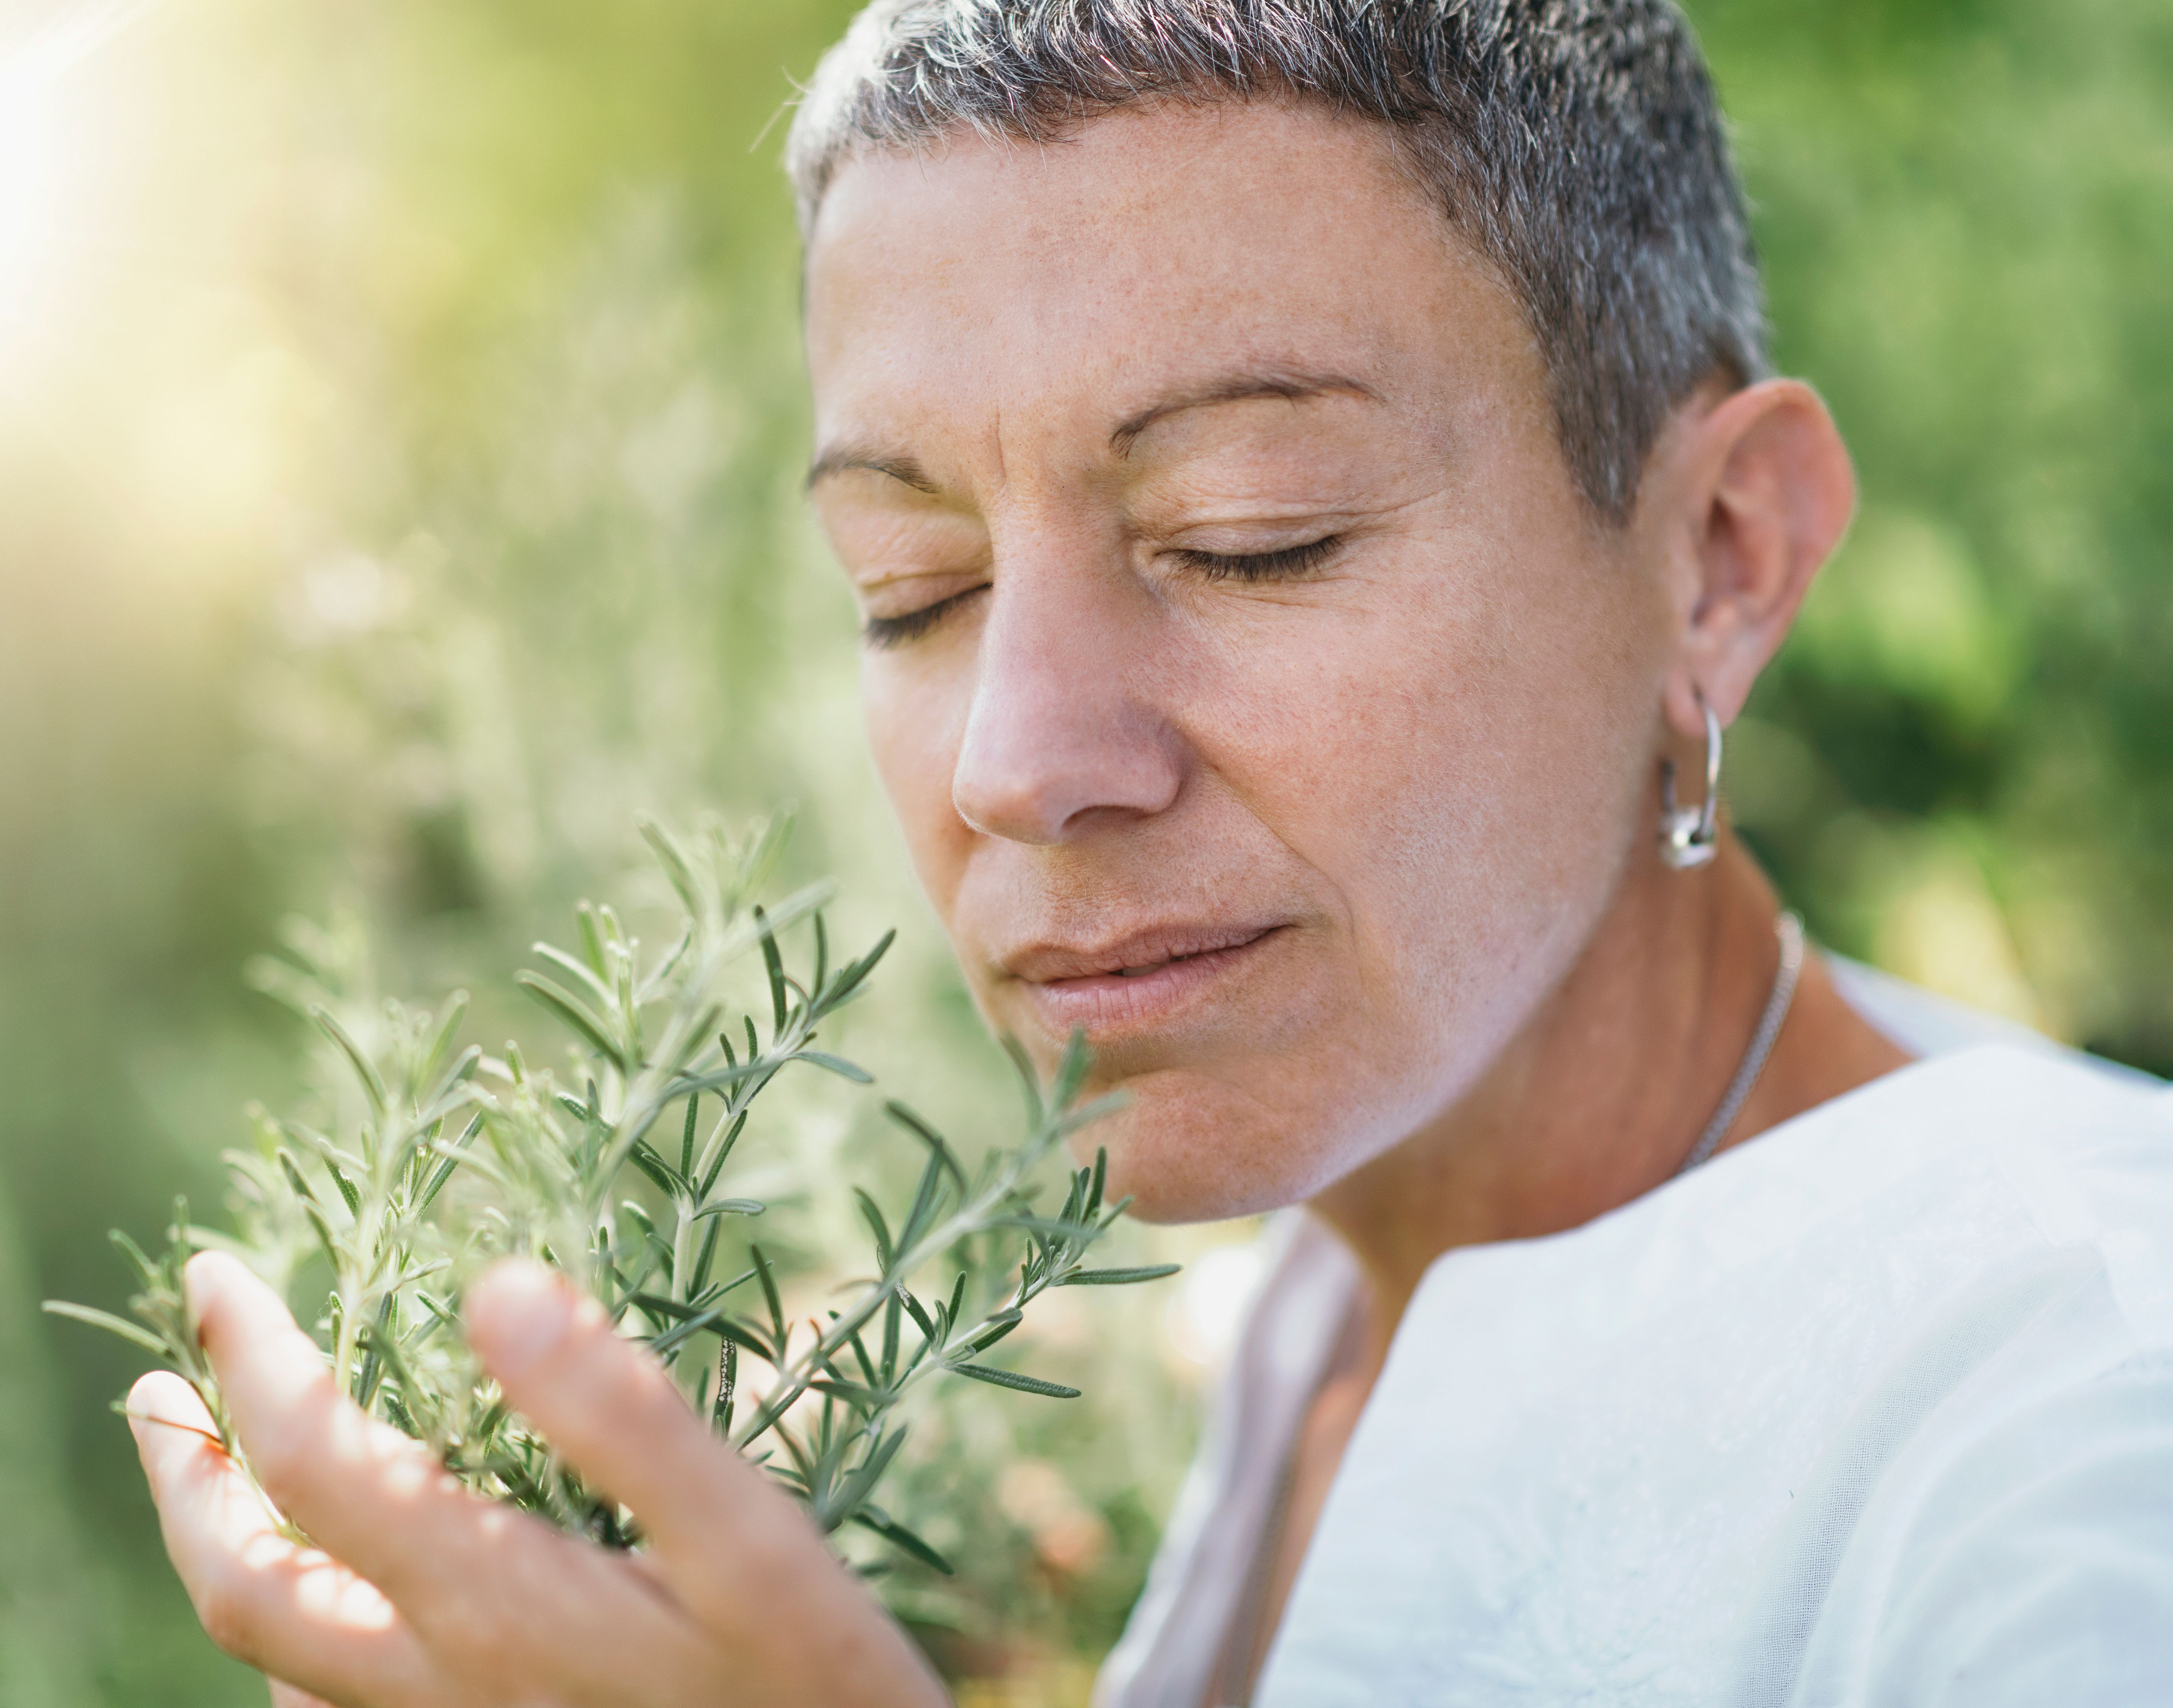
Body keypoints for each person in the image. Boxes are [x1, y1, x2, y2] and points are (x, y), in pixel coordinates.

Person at [123, 2, 2173, 1703]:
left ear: (1718, 558)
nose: (1020, 759)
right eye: (912, 587)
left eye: (1245, 534)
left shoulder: (2079, 1426)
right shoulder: (1273, 1326)